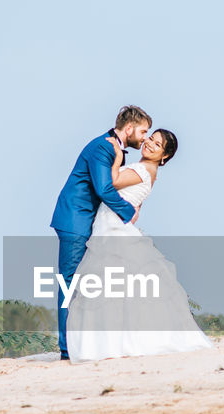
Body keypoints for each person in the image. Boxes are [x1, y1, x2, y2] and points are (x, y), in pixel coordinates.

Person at [65, 128, 213, 363]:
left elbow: (111, 182)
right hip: (110, 225)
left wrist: (115, 154)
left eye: (157, 145)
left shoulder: (144, 169)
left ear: (164, 156)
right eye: (150, 139)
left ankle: (118, 342)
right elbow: (135, 212)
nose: (149, 144)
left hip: (112, 229)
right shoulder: (149, 171)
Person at [50, 106, 152, 359]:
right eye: (143, 131)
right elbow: (105, 188)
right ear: (128, 129)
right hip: (75, 220)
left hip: (85, 221)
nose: (145, 138)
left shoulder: (113, 149)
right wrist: (129, 213)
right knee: (69, 283)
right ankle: (66, 349)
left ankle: (82, 343)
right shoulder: (103, 147)